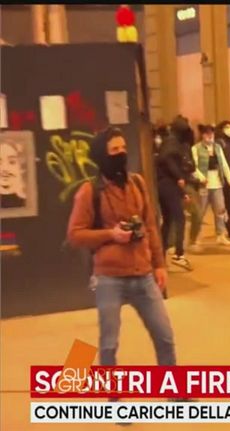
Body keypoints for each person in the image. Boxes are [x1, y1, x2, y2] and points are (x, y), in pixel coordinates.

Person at [67, 127, 177, 370]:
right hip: (110, 278)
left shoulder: (137, 183)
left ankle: (172, 388)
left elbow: (150, 225)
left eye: (124, 148)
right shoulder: (89, 192)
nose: (121, 153)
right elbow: (74, 235)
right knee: (109, 344)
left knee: (165, 337)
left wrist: (159, 264)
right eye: (114, 149)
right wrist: (111, 234)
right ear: (102, 155)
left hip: (143, 275)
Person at [155, 121, 192, 270]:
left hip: (163, 185)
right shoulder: (173, 142)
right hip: (168, 185)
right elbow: (167, 159)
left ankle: (161, 256)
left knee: (168, 221)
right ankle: (179, 254)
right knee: (179, 218)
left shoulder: (169, 141)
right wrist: (179, 176)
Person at [192, 124, 230, 246]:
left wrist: (229, 179)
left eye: (211, 133)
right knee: (200, 212)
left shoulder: (218, 147)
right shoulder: (196, 148)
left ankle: (220, 235)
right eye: (207, 133)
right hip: (204, 186)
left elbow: (224, 164)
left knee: (220, 210)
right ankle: (196, 236)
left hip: (217, 184)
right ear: (202, 135)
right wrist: (201, 178)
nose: (210, 136)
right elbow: (193, 167)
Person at [168, 116, 203, 254]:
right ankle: (171, 243)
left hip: (187, 182)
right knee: (174, 214)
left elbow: (191, 165)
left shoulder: (186, 146)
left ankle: (192, 240)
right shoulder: (170, 144)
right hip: (173, 183)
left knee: (197, 213)